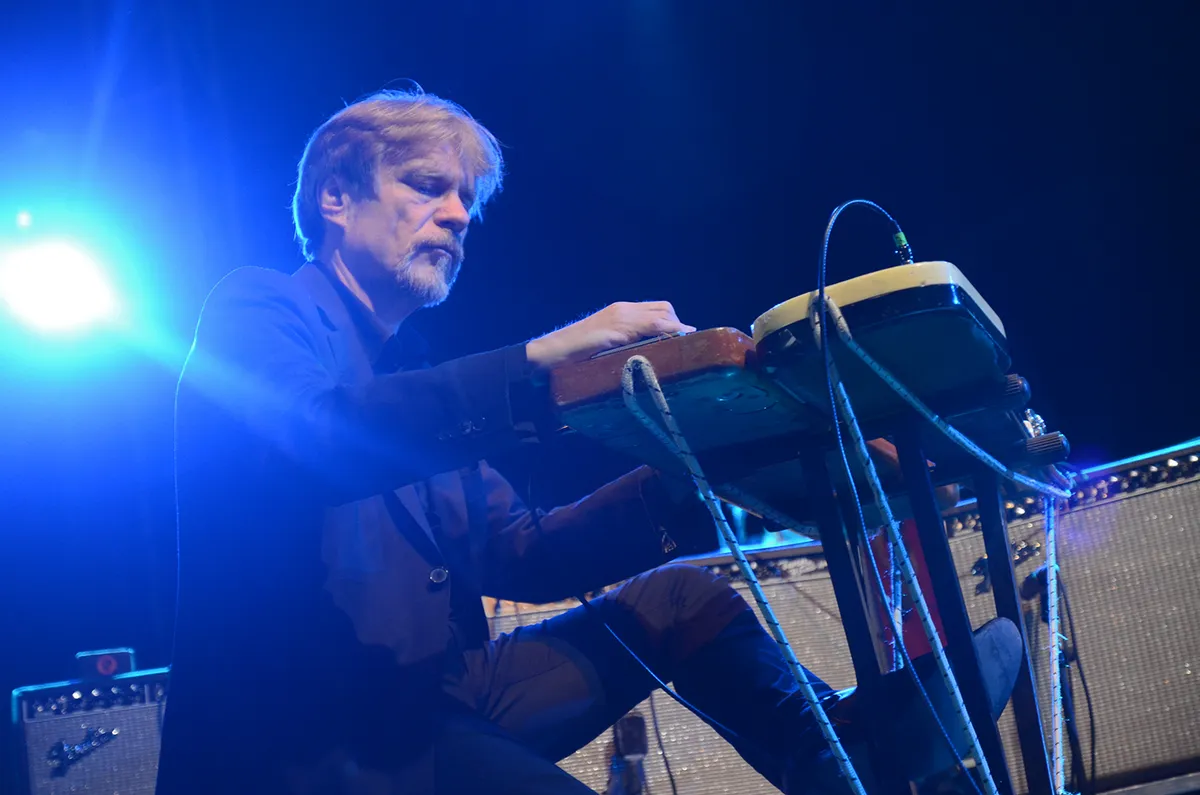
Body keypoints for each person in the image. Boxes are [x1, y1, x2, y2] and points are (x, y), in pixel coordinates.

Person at [155, 89, 1023, 795]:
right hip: (303, 734)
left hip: (430, 703)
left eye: (467, 201)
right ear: (335, 199)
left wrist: (698, 466)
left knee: (680, 599)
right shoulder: (260, 306)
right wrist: (541, 361)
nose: (457, 216)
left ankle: (836, 750)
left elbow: (520, 549)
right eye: (426, 187)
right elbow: (308, 436)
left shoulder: (411, 373)